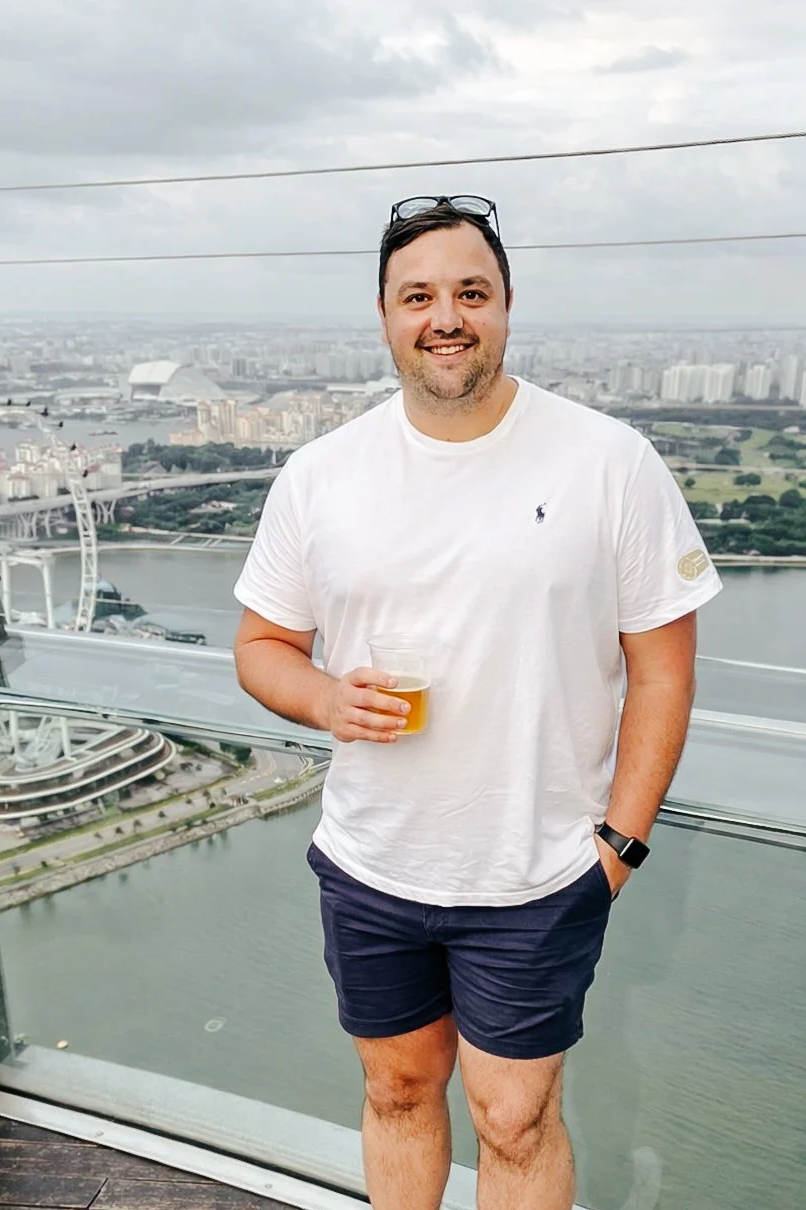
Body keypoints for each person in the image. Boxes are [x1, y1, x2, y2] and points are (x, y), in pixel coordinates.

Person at [233, 195, 722, 1210]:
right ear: (382, 317)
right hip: (373, 861)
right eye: (418, 295)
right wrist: (326, 697)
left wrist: (616, 849)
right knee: (398, 1089)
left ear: (504, 307)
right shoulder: (321, 474)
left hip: (539, 873)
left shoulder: (606, 460)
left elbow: (662, 671)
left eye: (470, 292)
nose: (444, 316)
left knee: (513, 1119)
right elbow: (260, 647)